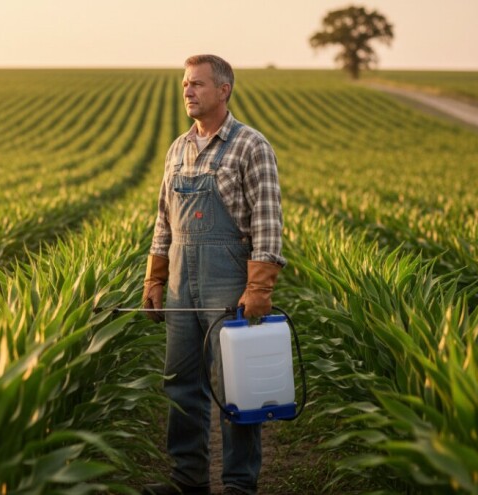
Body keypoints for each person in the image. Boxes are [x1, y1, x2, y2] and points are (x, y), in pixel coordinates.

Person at [141, 55, 286, 495]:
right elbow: (163, 222)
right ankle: (188, 480)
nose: (188, 91)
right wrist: (155, 278)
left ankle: (240, 484)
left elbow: (267, 222)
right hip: (184, 282)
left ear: (223, 90)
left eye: (198, 84)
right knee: (181, 383)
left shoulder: (251, 145)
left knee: (238, 387)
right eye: (185, 84)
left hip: (230, 282)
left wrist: (259, 288)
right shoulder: (178, 148)